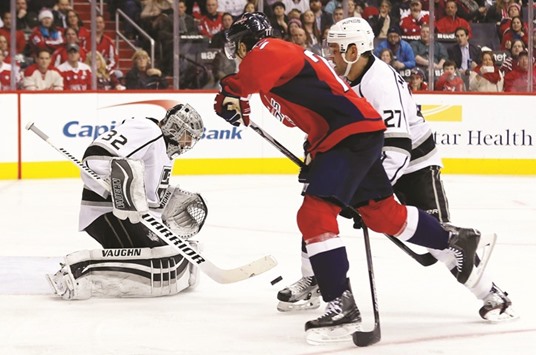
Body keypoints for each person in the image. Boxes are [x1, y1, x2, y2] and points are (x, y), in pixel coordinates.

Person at [213, 12, 489, 343]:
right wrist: (239, 104)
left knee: (314, 214)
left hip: (345, 135)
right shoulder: (273, 65)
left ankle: (340, 304)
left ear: (245, 43)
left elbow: (249, 78)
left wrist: (231, 91)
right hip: (348, 135)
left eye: (237, 48)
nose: (237, 56)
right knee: (382, 213)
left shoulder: (270, 49)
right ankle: (455, 239)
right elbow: (291, 109)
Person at [278, 17, 516, 323]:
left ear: (354, 50)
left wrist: (371, 193)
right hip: (368, 158)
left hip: (414, 162)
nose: (330, 55)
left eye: (335, 49)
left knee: (443, 242)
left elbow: (398, 148)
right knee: (320, 206)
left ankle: (492, 294)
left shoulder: (380, 82)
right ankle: (315, 280)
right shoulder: (339, 78)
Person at [47, 103, 206, 300]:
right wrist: (124, 187)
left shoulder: (165, 153)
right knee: (155, 262)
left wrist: (162, 222)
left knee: (165, 254)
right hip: (106, 213)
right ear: (175, 127)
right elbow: (94, 158)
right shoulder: (148, 130)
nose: (188, 143)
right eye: (187, 136)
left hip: (128, 217)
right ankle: (77, 272)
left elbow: (150, 201)